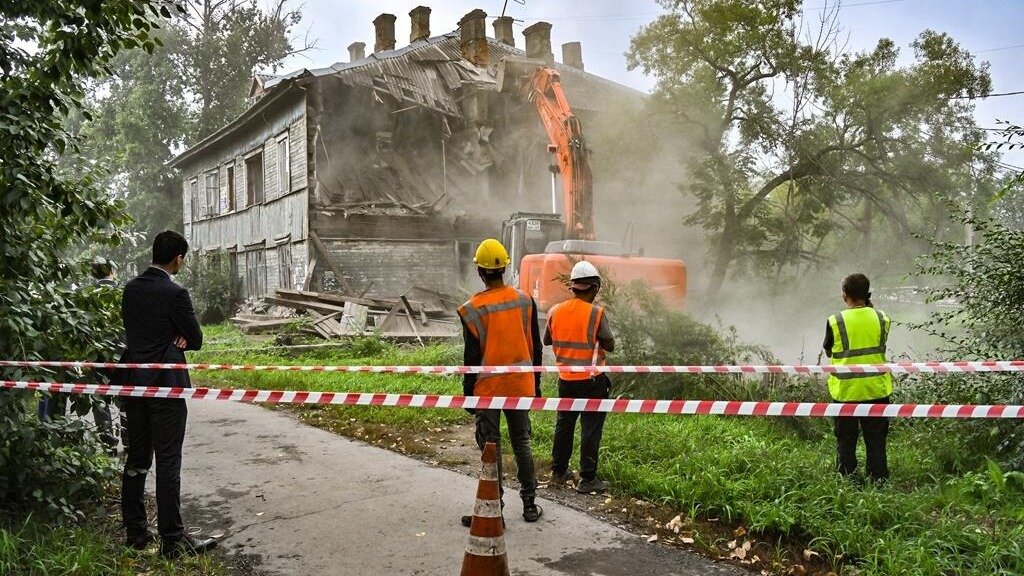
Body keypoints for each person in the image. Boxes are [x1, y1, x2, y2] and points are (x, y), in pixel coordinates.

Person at [115, 231, 216, 558]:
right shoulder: (175, 293)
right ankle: (172, 540)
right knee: (168, 459)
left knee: (138, 457)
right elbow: (196, 338)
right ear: (178, 258)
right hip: (165, 385)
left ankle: (136, 533)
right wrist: (179, 336)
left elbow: (136, 331)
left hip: (133, 383)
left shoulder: (130, 290)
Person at [458, 238, 544, 526]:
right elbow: (536, 347)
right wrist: (537, 383)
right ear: (505, 268)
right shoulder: (524, 300)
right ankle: (530, 505)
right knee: (522, 442)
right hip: (521, 385)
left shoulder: (472, 309)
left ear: (480, 272)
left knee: (490, 447)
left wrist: (469, 394)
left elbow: (472, 357)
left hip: (488, 389)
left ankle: (494, 510)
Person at [545, 260, 615, 494]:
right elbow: (610, 344)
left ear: (573, 287)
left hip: (566, 379)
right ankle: (587, 478)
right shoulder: (596, 314)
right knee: (590, 428)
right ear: (594, 288)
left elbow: (547, 340)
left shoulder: (555, 311)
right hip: (592, 380)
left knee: (564, 424)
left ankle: (558, 470)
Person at [822, 273, 893, 484]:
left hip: (846, 391)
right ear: (867, 293)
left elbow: (828, 351)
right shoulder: (882, 318)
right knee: (876, 441)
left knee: (846, 440)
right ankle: (879, 481)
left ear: (845, 294)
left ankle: (848, 481)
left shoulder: (836, 321)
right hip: (876, 389)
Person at [90, 256, 124, 454]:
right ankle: (129, 440)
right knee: (126, 398)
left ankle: (107, 443)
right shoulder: (122, 293)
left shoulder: (87, 295)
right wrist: (119, 354)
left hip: (96, 356)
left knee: (100, 400)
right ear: (112, 270)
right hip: (123, 356)